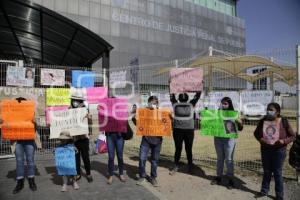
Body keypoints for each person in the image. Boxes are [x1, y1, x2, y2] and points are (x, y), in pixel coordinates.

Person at [254, 103, 295, 200]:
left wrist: (283, 141)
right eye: (268, 109)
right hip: (266, 150)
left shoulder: (284, 121)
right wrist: (262, 140)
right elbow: (256, 134)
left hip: (279, 151)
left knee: (277, 172)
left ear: (278, 112)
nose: (269, 111)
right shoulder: (264, 120)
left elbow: (293, 136)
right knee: (267, 171)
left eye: (271, 110)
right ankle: (264, 191)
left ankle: (279, 195)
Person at [0, 97, 38, 194]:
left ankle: (31, 180)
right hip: (17, 141)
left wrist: (33, 119)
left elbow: (36, 124)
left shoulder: (32, 112)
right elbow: (5, 123)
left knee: (30, 160)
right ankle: (20, 182)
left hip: (29, 139)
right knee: (19, 161)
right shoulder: (10, 113)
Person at [210, 97, 243, 189]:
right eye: (222, 103)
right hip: (218, 139)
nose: (223, 105)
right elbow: (211, 124)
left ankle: (230, 179)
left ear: (229, 104)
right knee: (220, 158)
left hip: (229, 140)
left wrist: (239, 122)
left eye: (225, 103)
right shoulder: (216, 113)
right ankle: (218, 177)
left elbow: (240, 128)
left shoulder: (234, 114)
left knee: (229, 159)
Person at [169, 92, 201, 175]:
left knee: (185, 149)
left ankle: (189, 166)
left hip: (186, 130)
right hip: (181, 130)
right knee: (181, 149)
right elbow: (197, 96)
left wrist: (199, 86)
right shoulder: (187, 104)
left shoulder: (177, 104)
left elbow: (172, 96)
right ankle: (177, 165)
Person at [135, 96, 163, 187]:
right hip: (146, 140)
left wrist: (170, 118)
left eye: (155, 103)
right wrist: (134, 117)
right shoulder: (144, 112)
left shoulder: (161, 113)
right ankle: (142, 176)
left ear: (157, 103)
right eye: (151, 103)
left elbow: (166, 125)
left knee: (154, 160)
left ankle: (153, 177)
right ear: (148, 103)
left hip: (157, 140)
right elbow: (138, 124)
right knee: (142, 158)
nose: (153, 105)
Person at [70, 93, 93, 183]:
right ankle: (78, 173)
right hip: (74, 138)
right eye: (73, 100)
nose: (74, 102)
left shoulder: (85, 110)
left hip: (84, 137)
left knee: (85, 157)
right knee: (76, 157)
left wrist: (89, 118)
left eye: (76, 100)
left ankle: (88, 173)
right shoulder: (69, 110)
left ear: (80, 101)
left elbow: (90, 124)